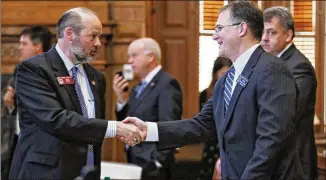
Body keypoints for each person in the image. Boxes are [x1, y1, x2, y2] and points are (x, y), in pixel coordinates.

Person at [122, 1, 304, 180]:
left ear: (241, 29)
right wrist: (149, 129)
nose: (214, 36)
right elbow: (202, 124)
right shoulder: (225, 80)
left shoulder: (272, 70)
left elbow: (272, 141)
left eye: (219, 28)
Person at [9, 7, 141, 180]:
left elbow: (91, 125)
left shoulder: (97, 77)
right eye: (93, 36)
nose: (99, 43)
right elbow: (56, 119)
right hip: (46, 173)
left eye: (99, 37)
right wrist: (115, 128)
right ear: (70, 34)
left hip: (88, 172)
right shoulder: (33, 69)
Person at [113, 37, 183, 180]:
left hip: (154, 168)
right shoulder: (138, 87)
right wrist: (122, 99)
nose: (130, 60)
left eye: (134, 55)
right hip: (135, 161)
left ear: (150, 57)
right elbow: (126, 123)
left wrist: (158, 162)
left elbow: (169, 127)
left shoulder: (167, 84)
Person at [261, 6, 318, 180]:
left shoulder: (299, 67)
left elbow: (289, 113)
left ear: (288, 35)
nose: (264, 39)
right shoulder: (271, 63)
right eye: (263, 33)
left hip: (295, 165)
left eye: (271, 33)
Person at [1, 25, 52, 180]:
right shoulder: (19, 70)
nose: (19, 48)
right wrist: (10, 105)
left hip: (41, 145)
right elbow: (14, 108)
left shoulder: (52, 73)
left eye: (24, 44)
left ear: (38, 46)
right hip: (16, 139)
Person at [198, 57, 231, 180]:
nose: (226, 76)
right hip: (212, 139)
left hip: (228, 140)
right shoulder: (206, 94)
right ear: (216, 73)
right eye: (223, 73)